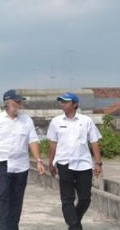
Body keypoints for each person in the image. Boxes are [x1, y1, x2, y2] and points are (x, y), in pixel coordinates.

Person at [0, 89, 46, 230]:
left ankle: (13, 226)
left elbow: (33, 141)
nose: (20, 104)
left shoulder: (26, 120)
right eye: (17, 101)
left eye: (20, 102)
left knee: (17, 198)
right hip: (2, 164)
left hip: (21, 165)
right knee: (3, 197)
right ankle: (3, 227)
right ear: (8, 103)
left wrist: (38, 160)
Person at [47, 92, 103, 230]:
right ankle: (75, 226)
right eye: (61, 102)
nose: (63, 104)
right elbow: (53, 144)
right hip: (64, 164)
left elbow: (94, 142)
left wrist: (98, 162)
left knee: (85, 198)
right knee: (67, 199)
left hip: (83, 164)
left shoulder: (86, 121)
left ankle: (74, 223)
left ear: (75, 104)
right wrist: (51, 163)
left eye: (66, 101)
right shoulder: (56, 121)